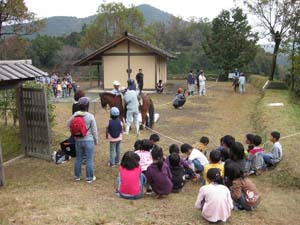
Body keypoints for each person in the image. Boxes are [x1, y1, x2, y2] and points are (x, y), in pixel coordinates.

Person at [67, 97, 98, 183]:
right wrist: (96, 140)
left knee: (78, 159)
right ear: (87, 105)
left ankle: (77, 176)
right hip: (89, 140)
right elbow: (94, 130)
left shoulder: (75, 115)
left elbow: (68, 124)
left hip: (78, 140)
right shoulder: (90, 116)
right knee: (89, 159)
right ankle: (89, 178)